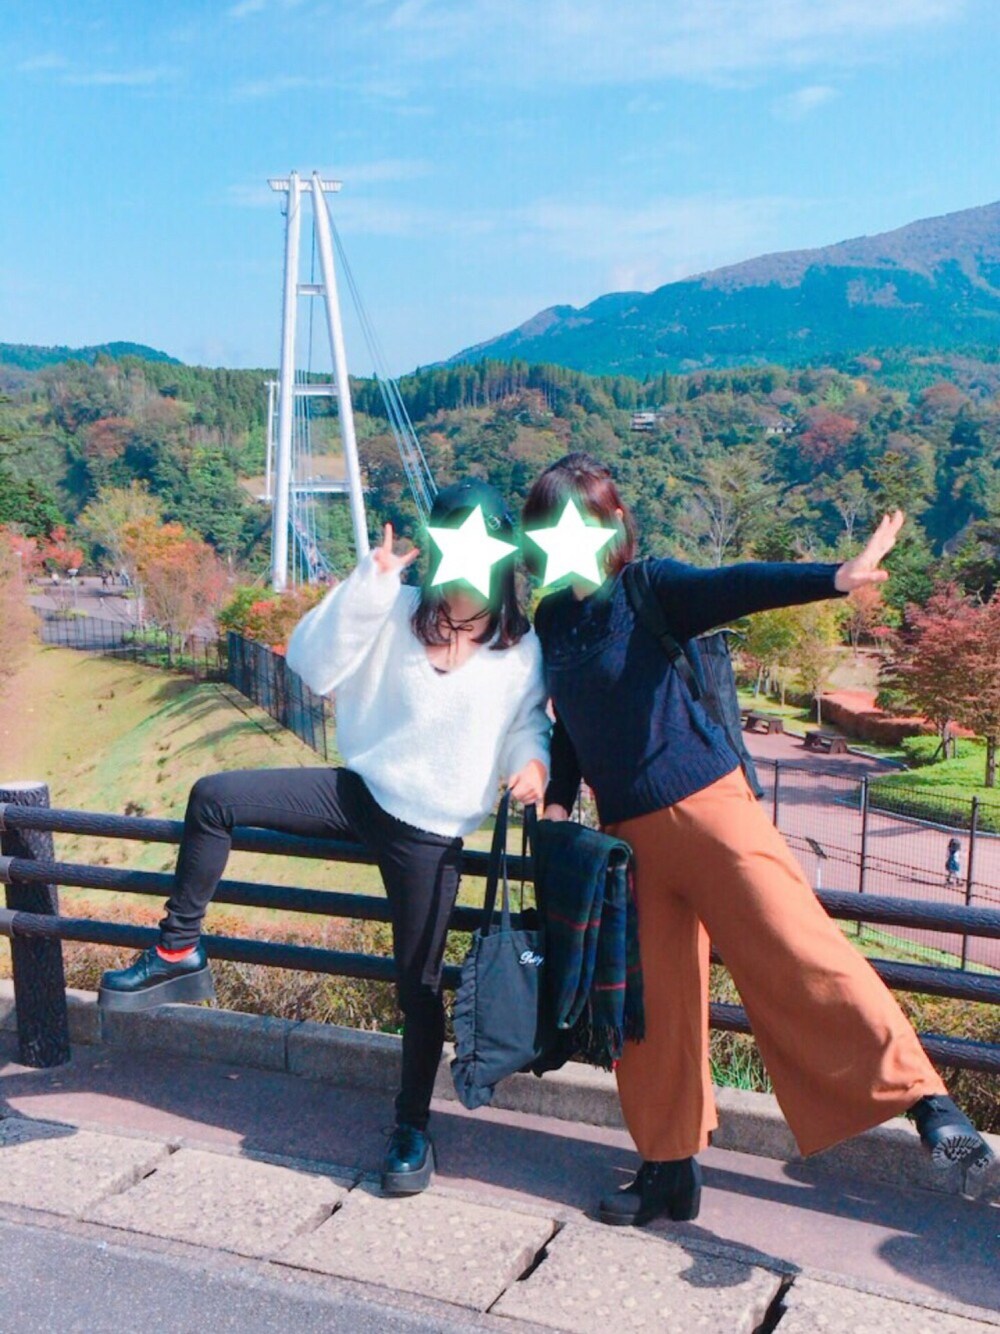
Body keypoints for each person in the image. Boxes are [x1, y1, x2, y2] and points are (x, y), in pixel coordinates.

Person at [524, 452, 993, 1228]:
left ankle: (927, 1105)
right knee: (649, 1012)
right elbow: (571, 722)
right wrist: (557, 800)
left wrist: (836, 577)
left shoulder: (648, 589)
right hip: (627, 843)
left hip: (711, 810)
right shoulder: (552, 620)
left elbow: (738, 583)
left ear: (614, 525)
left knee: (795, 947)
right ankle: (668, 1170)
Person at [99, 479, 550, 1196]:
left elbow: (528, 725)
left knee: (418, 988)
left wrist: (532, 764)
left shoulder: (520, 650)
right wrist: (370, 583)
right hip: (359, 793)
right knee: (214, 798)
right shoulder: (397, 609)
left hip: (431, 833)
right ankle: (178, 950)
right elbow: (311, 663)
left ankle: (412, 1129)